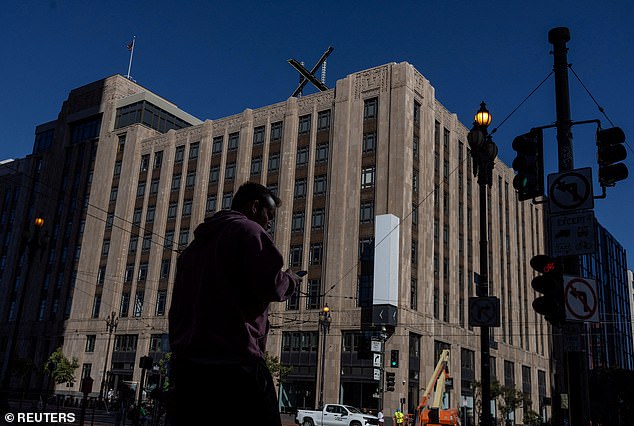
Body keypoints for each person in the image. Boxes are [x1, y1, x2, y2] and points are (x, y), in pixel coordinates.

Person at [167, 182, 300, 426]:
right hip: (236, 365)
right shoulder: (249, 231)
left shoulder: (192, 250)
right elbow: (272, 285)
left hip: (189, 371)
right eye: (268, 215)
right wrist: (290, 279)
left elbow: (176, 310)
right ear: (254, 206)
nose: (269, 223)